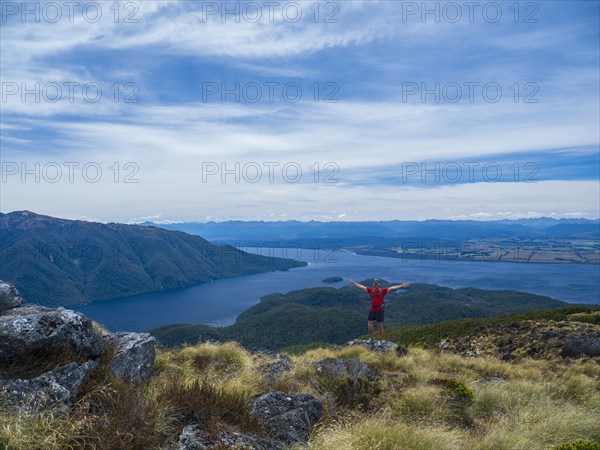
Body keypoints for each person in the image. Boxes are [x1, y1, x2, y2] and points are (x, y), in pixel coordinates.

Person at [347, 278, 410, 346]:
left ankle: (380, 340)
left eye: (377, 283)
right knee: (370, 324)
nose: (376, 284)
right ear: (373, 284)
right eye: (375, 283)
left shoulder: (382, 291)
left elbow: (392, 288)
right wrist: (353, 283)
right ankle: (372, 338)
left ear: (379, 284)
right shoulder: (370, 290)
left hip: (380, 310)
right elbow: (361, 286)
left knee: (380, 325)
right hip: (372, 309)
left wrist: (401, 286)